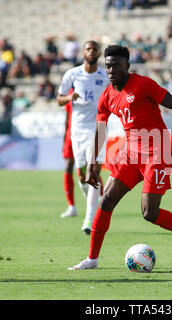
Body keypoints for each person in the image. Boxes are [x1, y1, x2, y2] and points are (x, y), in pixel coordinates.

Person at [68, 45, 172, 270]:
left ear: (127, 66)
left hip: (157, 151)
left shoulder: (143, 84)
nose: (111, 70)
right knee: (106, 199)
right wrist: (92, 166)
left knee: (149, 213)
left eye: (116, 65)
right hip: (130, 152)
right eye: (108, 66)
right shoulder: (107, 96)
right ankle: (92, 259)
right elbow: (100, 132)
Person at [57, 41, 110, 234]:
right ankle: (97, 206)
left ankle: (89, 220)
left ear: (98, 53)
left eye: (95, 49)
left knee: (93, 172)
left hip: (99, 128)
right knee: (81, 175)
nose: (92, 51)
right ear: (83, 52)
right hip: (77, 130)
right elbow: (59, 99)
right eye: (89, 49)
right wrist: (69, 98)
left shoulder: (105, 75)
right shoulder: (72, 74)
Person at [59, 89, 77, 219]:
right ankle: (71, 206)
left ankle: (101, 198)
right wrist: (64, 138)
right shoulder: (70, 93)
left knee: (89, 169)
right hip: (71, 135)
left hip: (87, 134)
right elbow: (66, 118)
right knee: (68, 166)